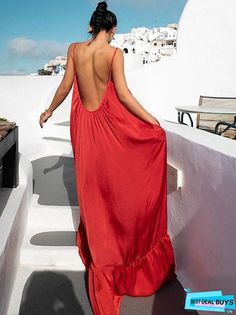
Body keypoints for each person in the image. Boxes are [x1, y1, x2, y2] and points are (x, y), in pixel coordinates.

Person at [39, 1, 176, 314]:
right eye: (114, 32)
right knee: (117, 192)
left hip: (84, 130)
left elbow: (65, 86)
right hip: (109, 132)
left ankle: (101, 252)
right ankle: (120, 254)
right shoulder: (113, 54)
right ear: (111, 29)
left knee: (93, 194)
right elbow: (125, 96)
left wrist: (48, 110)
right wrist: (152, 121)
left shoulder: (74, 49)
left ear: (90, 27)